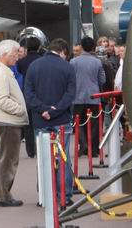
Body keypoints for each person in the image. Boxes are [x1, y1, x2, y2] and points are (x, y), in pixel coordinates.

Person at [24, 38, 77, 204]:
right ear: (63, 52)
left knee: (43, 158)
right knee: (63, 157)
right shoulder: (68, 67)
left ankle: (45, 195)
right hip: (61, 119)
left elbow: (29, 94)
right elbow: (70, 94)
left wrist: (43, 109)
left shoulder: (34, 66)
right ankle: (64, 196)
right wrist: (55, 110)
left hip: (40, 120)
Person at [0, 40, 28, 207]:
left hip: (8, 121)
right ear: (4, 54)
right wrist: (20, 109)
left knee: (8, 159)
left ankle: (3, 194)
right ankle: (3, 196)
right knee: (8, 160)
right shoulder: (1, 72)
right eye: (14, 54)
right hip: (8, 121)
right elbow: (1, 99)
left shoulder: (2, 70)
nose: (17, 57)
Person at [70, 36, 105, 158]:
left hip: (78, 97)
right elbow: (102, 80)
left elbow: (70, 79)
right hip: (93, 97)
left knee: (78, 122)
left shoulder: (73, 62)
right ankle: (93, 149)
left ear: (82, 47)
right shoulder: (97, 62)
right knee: (94, 123)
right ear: (93, 47)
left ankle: (83, 143)